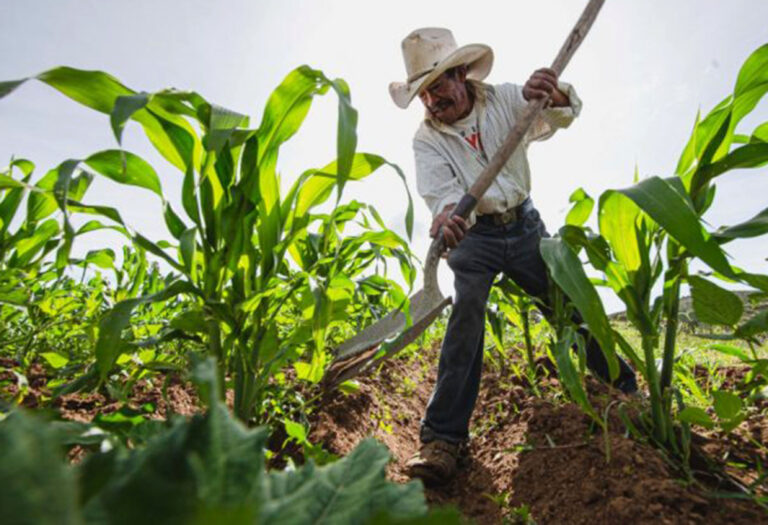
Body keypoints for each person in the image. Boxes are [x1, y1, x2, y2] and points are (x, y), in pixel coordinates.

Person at [388, 27, 638, 484]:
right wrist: (447, 217)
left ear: (461, 74)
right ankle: (443, 440)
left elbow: (561, 113)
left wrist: (552, 92)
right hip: (475, 239)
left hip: (523, 226)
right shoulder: (427, 139)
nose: (430, 101)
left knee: (567, 307)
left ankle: (625, 389)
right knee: (465, 316)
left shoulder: (504, 99)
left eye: (437, 87)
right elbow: (440, 193)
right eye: (422, 93)